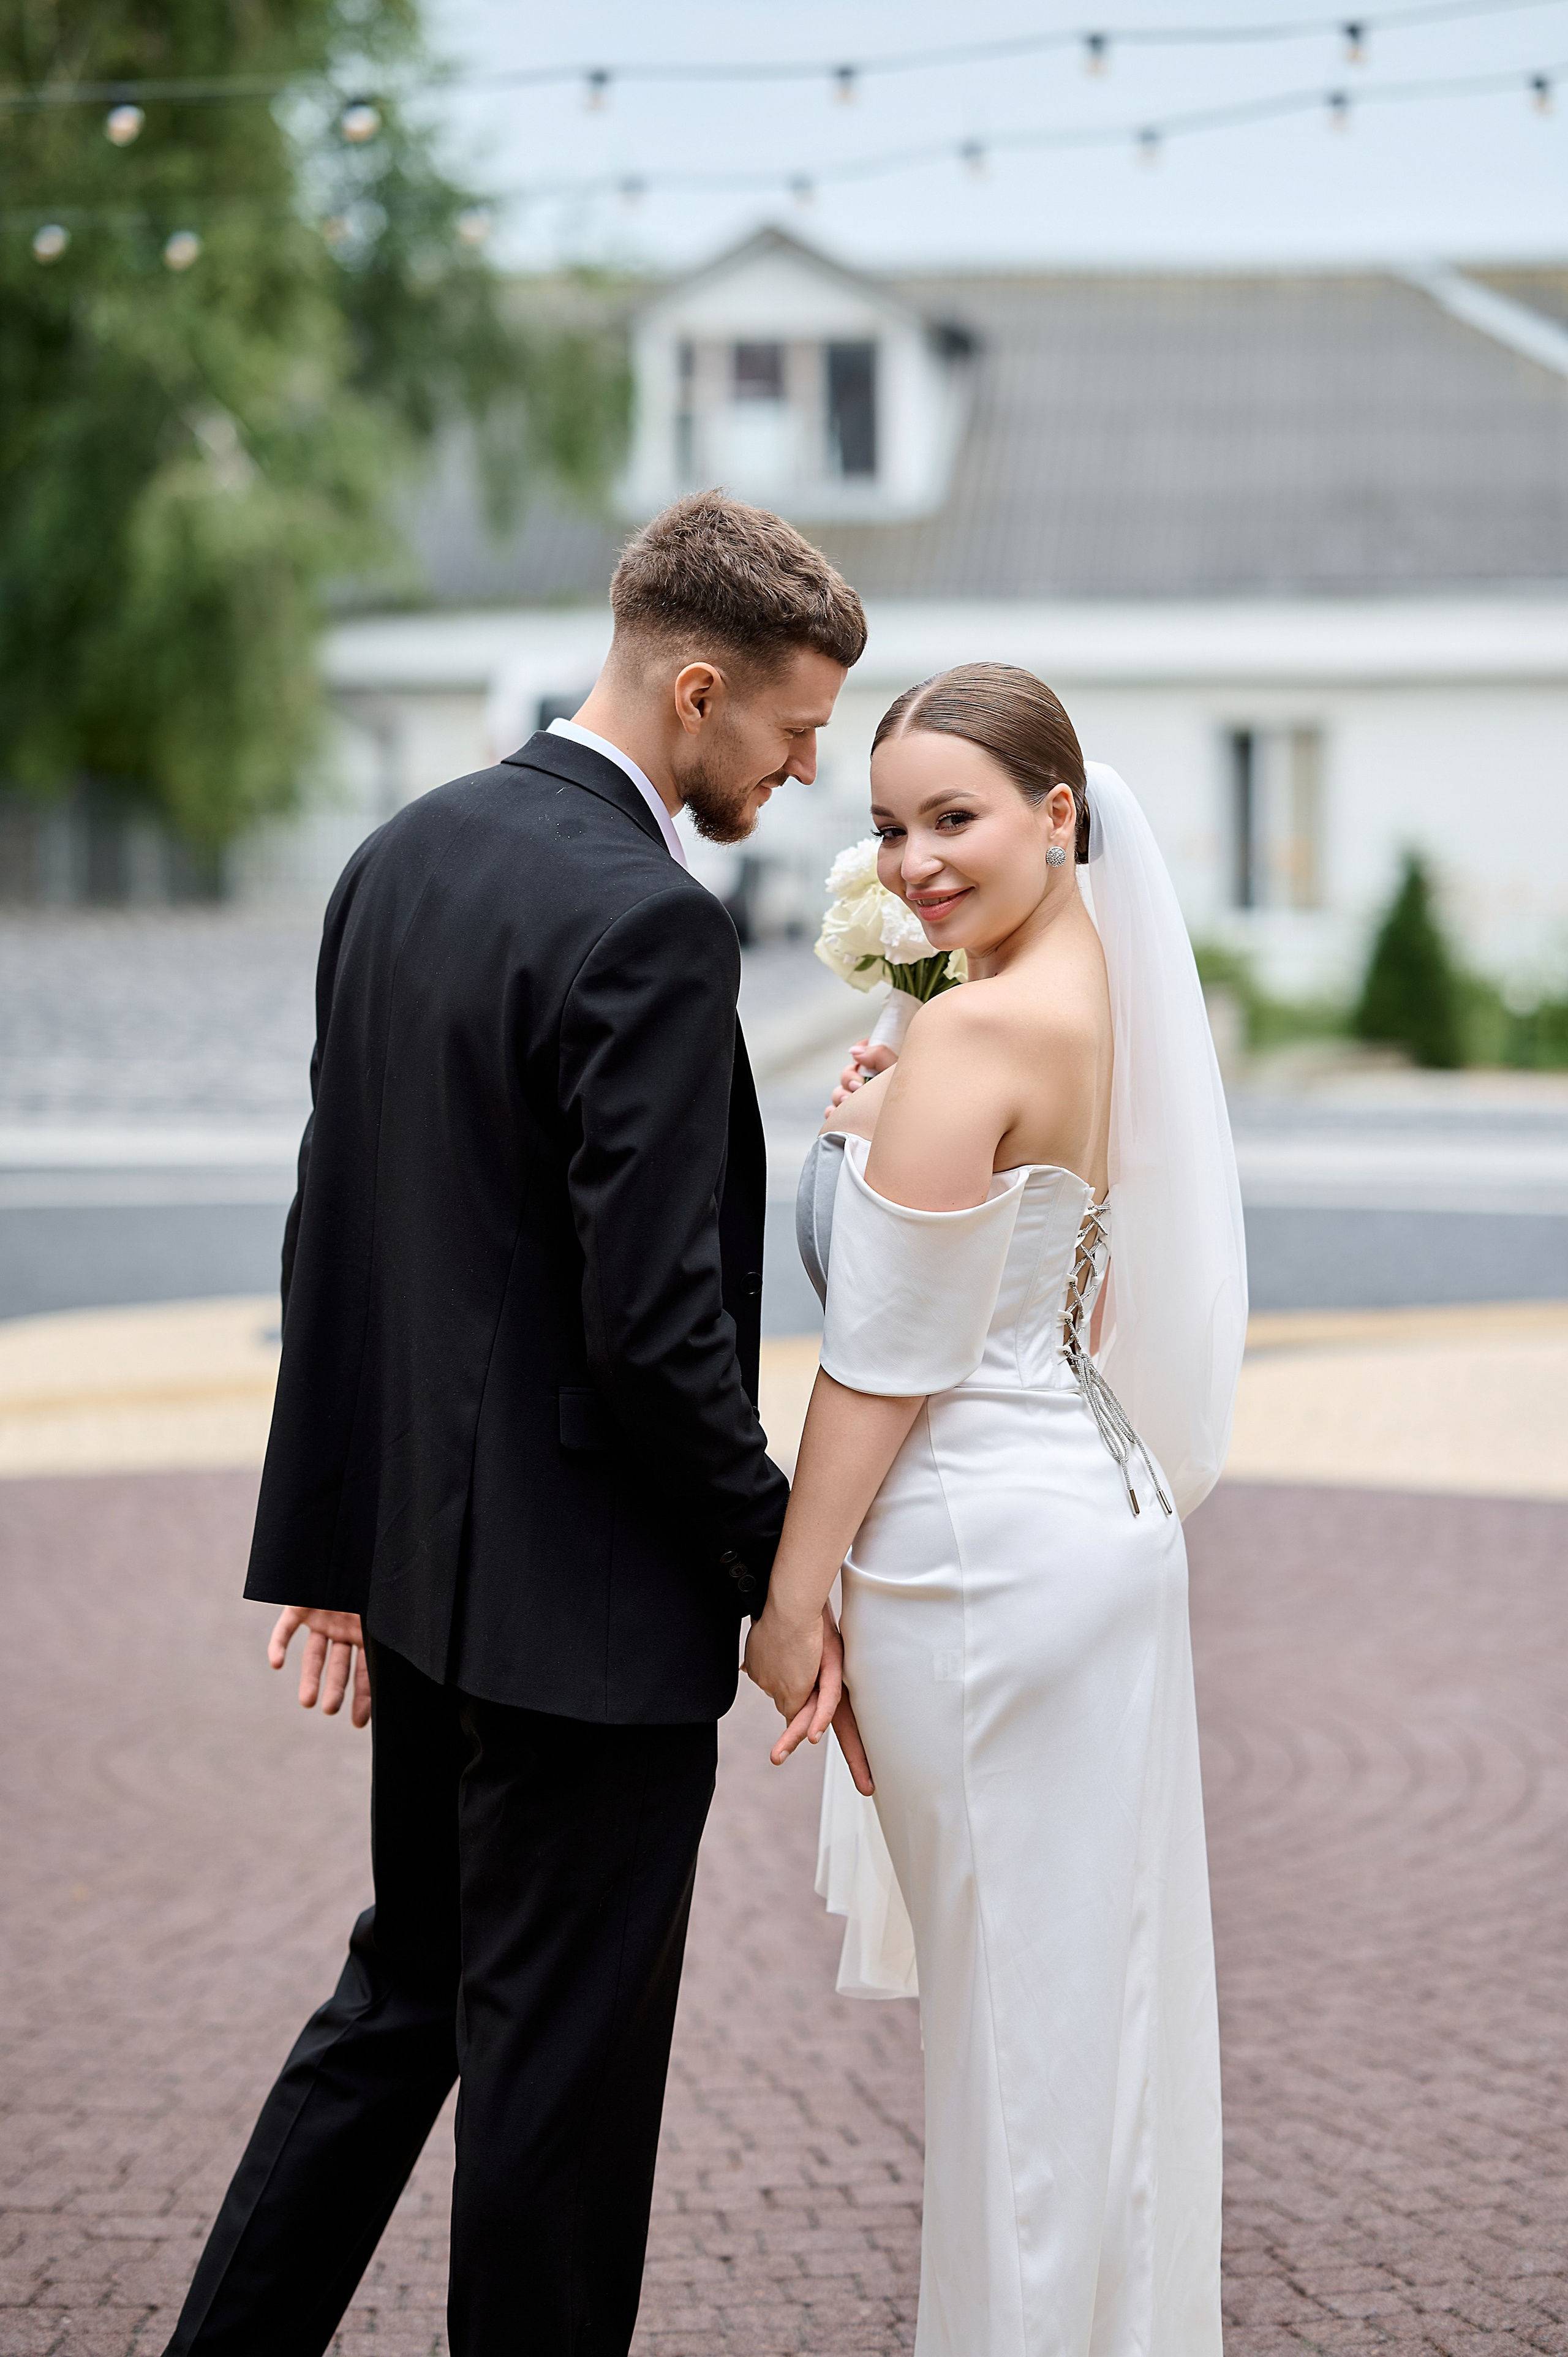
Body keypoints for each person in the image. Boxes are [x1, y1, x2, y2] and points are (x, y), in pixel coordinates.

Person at [159, 492, 866, 2357]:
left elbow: (340, 1230)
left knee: (400, 2010)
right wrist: (775, 1560)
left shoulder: (401, 855)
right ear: (695, 688)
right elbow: (656, 1332)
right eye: (794, 729)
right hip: (587, 1630)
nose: (806, 770)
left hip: (426, 1589)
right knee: (557, 2105)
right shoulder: (648, 922)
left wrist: (331, 1551)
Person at [745, 663, 1248, 2357]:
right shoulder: (1085, 983)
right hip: (1090, 1523)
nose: (912, 861)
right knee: (1083, 2009)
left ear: (1059, 811)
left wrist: (790, 1602)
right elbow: (1059, 1297)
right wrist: (890, 1130)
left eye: (952, 818)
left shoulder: (976, 1026)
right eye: (888, 826)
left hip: (982, 1558)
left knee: (1019, 2046)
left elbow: (879, 1370)